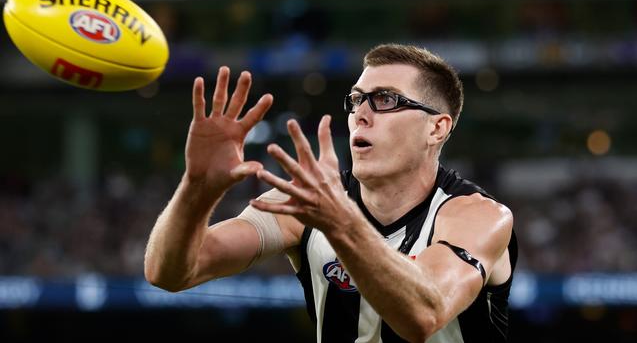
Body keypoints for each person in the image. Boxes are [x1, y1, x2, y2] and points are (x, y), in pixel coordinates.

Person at [144, 44, 517, 343]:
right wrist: (196, 190)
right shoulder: (304, 205)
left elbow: (423, 316)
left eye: (385, 100)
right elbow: (170, 273)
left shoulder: (479, 217)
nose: (361, 114)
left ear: (437, 128)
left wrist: (340, 223)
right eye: (356, 100)